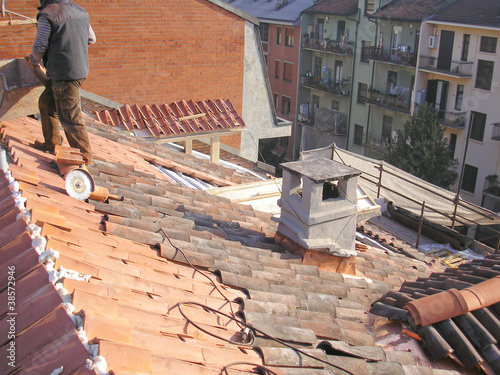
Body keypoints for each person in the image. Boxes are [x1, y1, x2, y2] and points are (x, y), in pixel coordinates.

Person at [27, 0, 96, 166]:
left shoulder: (47, 14)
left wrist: (33, 61)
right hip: (76, 71)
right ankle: (52, 144)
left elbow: (41, 44)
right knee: (46, 103)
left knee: (70, 117)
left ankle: (84, 160)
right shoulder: (81, 12)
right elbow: (92, 39)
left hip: (64, 74)